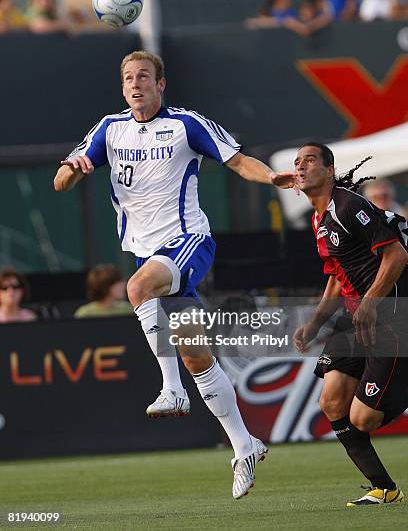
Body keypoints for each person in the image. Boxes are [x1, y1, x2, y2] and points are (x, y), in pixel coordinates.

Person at [54, 49, 296, 499]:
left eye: (144, 76)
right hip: (148, 252)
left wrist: (271, 179)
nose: (136, 84)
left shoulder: (186, 124)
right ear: (122, 86)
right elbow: (60, 180)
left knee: (137, 287)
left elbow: (237, 159)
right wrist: (74, 169)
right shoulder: (109, 129)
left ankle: (172, 391)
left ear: (160, 84)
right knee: (196, 356)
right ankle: (245, 445)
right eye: (128, 77)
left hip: (188, 243)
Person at [292, 142, 408, 506]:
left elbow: (396, 254)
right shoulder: (318, 216)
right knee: (332, 402)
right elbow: (338, 276)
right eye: (297, 162)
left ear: (329, 170)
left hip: (388, 317)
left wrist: (371, 303)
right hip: (356, 317)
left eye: (309, 160)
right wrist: (314, 323)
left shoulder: (348, 205)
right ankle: (385, 488)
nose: (300, 167)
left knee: (364, 418)